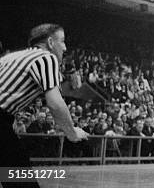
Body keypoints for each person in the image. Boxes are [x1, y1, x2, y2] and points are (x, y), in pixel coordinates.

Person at [0, 24, 88, 188]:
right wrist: (72, 132)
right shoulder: (46, 58)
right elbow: (55, 103)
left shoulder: (10, 57)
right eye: (62, 41)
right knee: (20, 179)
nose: (65, 47)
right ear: (50, 42)